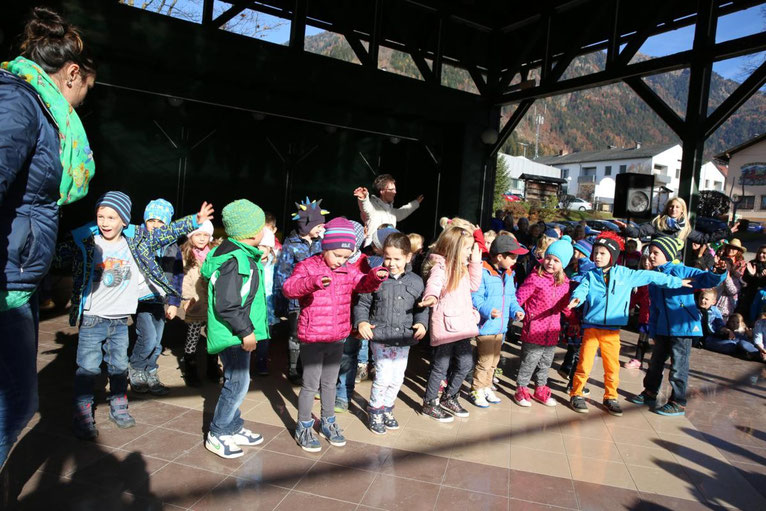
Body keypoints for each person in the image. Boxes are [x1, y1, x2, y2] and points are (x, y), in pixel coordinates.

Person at [0, 6, 96, 466]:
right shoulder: (20, 102)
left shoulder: (34, 105)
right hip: (6, 281)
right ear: (71, 73)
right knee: (16, 403)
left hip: (17, 278)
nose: (80, 106)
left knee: (16, 402)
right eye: (84, 94)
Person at [57, 192, 213, 440]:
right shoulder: (87, 242)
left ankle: (118, 404)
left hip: (119, 320)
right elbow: (55, 255)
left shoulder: (137, 242)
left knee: (118, 366)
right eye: (101, 216)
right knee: (87, 367)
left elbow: (165, 234)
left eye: (112, 217)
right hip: (92, 318)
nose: (106, 222)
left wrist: (194, 221)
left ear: (125, 222)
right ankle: (83, 411)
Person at [283, 217, 388, 452]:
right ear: (325, 247)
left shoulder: (347, 270)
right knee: (310, 385)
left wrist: (375, 276)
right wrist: (313, 282)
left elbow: (362, 283)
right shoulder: (308, 266)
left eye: (346, 256)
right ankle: (304, 425)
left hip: (338, 335)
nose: (341, 260)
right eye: (337, 255)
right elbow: (289, 288)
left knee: (330, 383)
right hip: (312, 336)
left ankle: (329, 422)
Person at [567, 232, 690, 416]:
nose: (598, 257)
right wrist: (577, 298)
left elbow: (652, 277)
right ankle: (576, 393)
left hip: (612, 331)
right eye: (596, 253)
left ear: (613, 256)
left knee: (612, 365)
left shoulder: (625, 274)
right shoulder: (591, 275)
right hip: (592, 327)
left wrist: (676, 282)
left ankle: (611, 396)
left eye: (602, 253)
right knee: (584, 363)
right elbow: (582, 289)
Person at [202, 200, 269, 459]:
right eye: (261, 226)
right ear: (252, 233)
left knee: (239, 381)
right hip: (233, 334)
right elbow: (228, 304)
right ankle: (218, 433)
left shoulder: (240, 254)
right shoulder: (235, 260)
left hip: (235, 331)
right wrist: (246, 331)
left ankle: (232, 426)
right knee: (237, 384)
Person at [630, 236, 727, 416]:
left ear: (667, 254)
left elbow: (707, 279)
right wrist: (653, 327)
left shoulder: (681, 271)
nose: (651, 256)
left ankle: (678, 401)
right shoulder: (655, 277)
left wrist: (718, 272)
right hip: (662, 328)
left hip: (682, 328)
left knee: (678, 365)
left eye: (655, 253)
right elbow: (654, 307)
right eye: (650, 252)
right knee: (655, 362)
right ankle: (650, 392)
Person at [355, 233, 428, 434]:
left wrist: (422, 324)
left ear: (408, 257)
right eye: (388, 257)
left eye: (397, 259)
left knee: (397, 378)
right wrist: (362, 322)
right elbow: (363, 303)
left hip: (404, 338)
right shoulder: (375, 277)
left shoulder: (416, 281)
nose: (391, 263)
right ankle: (375, 410)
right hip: (380, 336)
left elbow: (422, 307)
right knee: (383, 376)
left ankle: (388, 408)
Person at [419, 226, 482, 422]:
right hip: (446, 327)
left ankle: (449, 396)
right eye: (467, 249)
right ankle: (429, 403)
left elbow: (474, 285)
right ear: (454, 249)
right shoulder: (441, 267)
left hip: (462, 325)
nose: (470, 252)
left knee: (465, 364)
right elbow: (434, 284)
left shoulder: (462, 268)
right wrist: (430, 297)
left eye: (471, 248)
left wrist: (476, 262)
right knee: (440, 366)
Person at [128, 199, 184, 395]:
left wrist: (174, 302)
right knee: (148, 337)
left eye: (161, 222)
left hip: (160, 301)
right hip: (141, 300)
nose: (155, 225)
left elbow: (177, 276)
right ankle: (136, 367)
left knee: (157, 340)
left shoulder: (172, 247)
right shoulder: (137, 240)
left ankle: (150, 370)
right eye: (151, 220)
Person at [273, 197, 327, 384]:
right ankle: (293, 368)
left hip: (316, 299)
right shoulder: (291, 245)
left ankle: (308, 367)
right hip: (296, 301)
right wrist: (281, 302)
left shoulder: (322, 243)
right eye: (319, 225)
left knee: (311, 335)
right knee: (296, 334)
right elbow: (282, 274)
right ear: (306, 225)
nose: (322, 228)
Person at [469, 235, 527, 408]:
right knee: (485, 361)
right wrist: (487, 310)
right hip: (486, 327)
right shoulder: (483, 272)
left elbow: (511, 298)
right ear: (500, 256)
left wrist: (517, 310)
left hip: (501, 327)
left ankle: (486, 386)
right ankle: (477, 389)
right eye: (513, 257)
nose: (515, 261)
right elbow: (476, 298)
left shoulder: (509, 274)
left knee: (494, 361)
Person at [514, 238, 573, 407]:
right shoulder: (535, 277)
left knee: (546, 362)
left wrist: (572, 316)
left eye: (556, 260)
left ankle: (540, 388)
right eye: (548, 258)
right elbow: (520, 297)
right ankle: (521, 388)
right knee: (529, 360)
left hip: (552, 330)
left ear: (563, 264)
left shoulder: (564, 283)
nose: (550, 263)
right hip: (534, 328)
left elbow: (564, 305)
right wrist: (518, 311)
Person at [180, 220, 218, 386]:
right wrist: (187, 298)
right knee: (192, 339)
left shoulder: (215, 253)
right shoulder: (187, 255)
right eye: (198, 234)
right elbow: (184, 279)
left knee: (213, 337)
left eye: (205, 235)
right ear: (191, 236)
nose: (202, 239)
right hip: (195, 303)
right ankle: (190, 370)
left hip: (212, 304)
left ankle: (212, 368)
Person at [615, 197, 737, 244]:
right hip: (656, 264)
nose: (674, 209)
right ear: (667, 208)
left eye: (677, 207)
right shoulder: (657, 223)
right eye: (671, 206)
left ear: (682, 210)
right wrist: (626, 228)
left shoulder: (685, 228)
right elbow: (639, 232)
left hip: (674, 265)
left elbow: (703, 238)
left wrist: (726, 232)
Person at [559, 239, 594, 391]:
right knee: (581, 352)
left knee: (574, 348)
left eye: (576, 252)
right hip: (583, 319)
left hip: (573, 318)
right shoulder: (590, 275)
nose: (573, 255)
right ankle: (573, 383)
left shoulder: (576, 273)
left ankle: (566, 367)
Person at [354, 174, 424, 246]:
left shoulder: (391, 210)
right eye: (391, 189)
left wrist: (415, 203)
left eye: (395, 189)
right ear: (382, 191)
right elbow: (366, 207)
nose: (395, 192)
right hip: (373, 250)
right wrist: (363, 198)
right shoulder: (373, 207)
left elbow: (402, 212)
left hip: (387, 250)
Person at [253, 227, 279, 376]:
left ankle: (261, 363)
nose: (260, 249)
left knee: (265, 336)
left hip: (267, 306)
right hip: (251, 305)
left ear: (270, 248)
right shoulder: (249, 261)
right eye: (258, 246)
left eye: (264, 246)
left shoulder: (273, 263)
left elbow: (278, 283)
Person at [739, 245, 766, 320]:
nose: (761, 255)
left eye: (764, 253)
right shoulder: (753, 264)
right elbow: (745, 279)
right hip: (750, 296)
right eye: (760, 252)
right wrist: (754, 275)